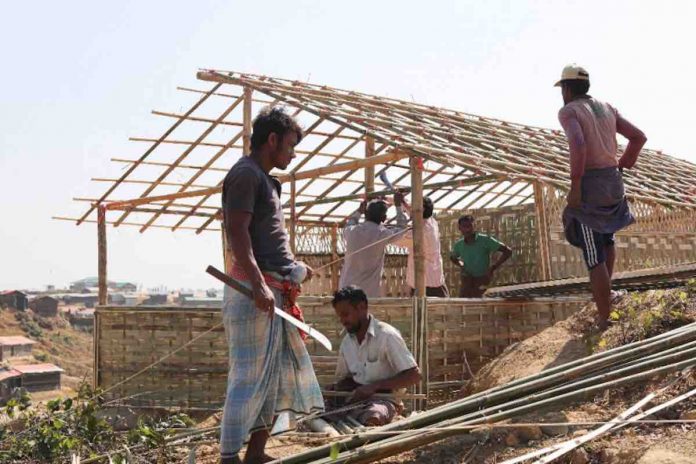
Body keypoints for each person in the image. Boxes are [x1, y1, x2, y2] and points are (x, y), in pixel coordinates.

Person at [220, 106, 324, 464]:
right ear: (273, 140)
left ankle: (256, 453)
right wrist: (259, 284)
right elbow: (237, 233)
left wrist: (293, 269)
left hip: (272, 290)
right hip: (253, 292)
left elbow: (268, 242)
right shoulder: (245, 175)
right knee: (247, 378)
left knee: (274, 377)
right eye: (291, 146)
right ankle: (229, 457)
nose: (293, 154)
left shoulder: (265, 180)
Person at [555, 64, 647, 330]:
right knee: (607, 238)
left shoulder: (569, 111)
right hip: (612, 183)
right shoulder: (607, 108)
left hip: (591, 186)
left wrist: (576, 185)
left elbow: (579, 144)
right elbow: (638, 137)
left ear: (567, 89)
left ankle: (605, 317)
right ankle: (608, 297)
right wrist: (624, 163)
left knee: (593, 252)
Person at [329, 286, 421, 426]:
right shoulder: (347, 343)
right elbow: (348, 379)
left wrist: (374, 387)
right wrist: (336, 388)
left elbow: (414, 375)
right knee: (322, 412)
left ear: (362, 307)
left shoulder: (386, 335)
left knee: (373, 416)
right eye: (340, 316)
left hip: (384, 401)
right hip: (356, 401)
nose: (342, 320)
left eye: (345, 314)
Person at [339, 196, 408, 298]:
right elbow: (402, 228)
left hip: (346, 288)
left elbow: (350, 223)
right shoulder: (382, 234)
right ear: (384, 218)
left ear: (366, 214)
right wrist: (398, 206)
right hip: (367, 293)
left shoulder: (352, 231)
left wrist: (359, 211)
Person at [392, 193, 449, 297]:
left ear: (421, 210)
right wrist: (403, 202)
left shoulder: (419, 232)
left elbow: (395, 239)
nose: (411, 209)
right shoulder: (432, 222)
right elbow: (414, 213)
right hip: (435, 283)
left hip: (426, 287)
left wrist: (398, 208)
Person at [450, 215, 512, 297]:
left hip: (482, 279)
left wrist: (493, 268)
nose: (467, 229)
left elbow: (508, 251)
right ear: (459, 228)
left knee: (481, 302)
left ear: (474, 226)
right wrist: (462, 265)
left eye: (469, 226)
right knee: (464, 303)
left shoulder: (485, 240)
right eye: (464, 226)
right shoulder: (459, 245)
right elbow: (453, 258)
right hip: (467, 280)